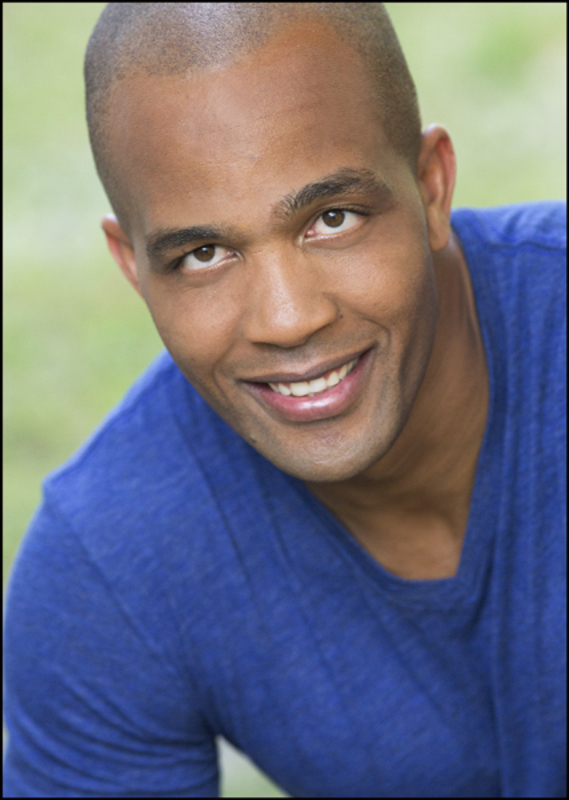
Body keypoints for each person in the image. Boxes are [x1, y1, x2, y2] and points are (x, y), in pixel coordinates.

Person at [3, 3, 565, 797]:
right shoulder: (110, 567)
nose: (287, 318)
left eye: (332, 219)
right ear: (133, 268)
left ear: (430, 186)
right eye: (203, 254)